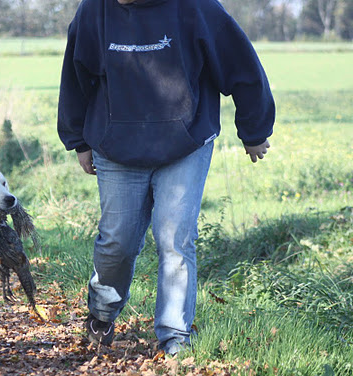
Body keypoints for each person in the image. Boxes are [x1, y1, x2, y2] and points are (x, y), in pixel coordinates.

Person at [57, 0, 275, 355]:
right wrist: (78, 139)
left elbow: (241, 64)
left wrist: (254, 129)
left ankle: (175, 336)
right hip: (116, 145)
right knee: (118, 243)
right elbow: (76, 74)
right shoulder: (95, 10)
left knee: (175, 238)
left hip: (185, 143)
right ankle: (102, 313)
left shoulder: (196, 7)